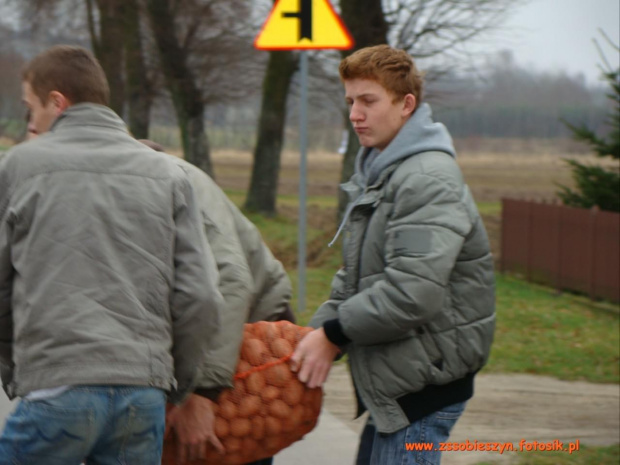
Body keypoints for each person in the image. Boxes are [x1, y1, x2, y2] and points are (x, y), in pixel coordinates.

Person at [0, 45, 227, 464]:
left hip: (56, 385)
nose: (30, 122)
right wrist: (172, 385)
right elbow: (202, 296)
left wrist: (17, 372)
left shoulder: (20, 167)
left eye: (30, 109)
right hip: (142, 398)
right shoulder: (169, 174)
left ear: (57, 102)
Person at [291, 45, 496, 465]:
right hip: (401, 385)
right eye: (350, 101)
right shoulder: (383, 172)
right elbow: (356, 283)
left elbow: (411, 293)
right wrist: (303, 341)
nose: (354, 114)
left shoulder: (426, 178)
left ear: (406, 105)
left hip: (423, 387)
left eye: (368, 101)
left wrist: (331, 336)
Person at [140, 140, 293, 465]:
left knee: (228, 443)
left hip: (250, 332)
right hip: (194, 340)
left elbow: (233, 281)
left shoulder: (182, 184)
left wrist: (204, 394)